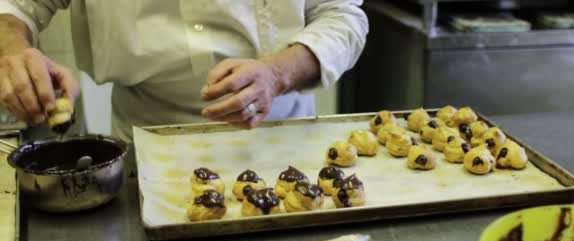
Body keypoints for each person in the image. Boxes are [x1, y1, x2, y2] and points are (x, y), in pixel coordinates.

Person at [0, 1, 368, 140]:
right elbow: (15, 7)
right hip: (143, 147)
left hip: (279, 136)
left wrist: (276, 74)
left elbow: (342, 16)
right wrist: (14, 53)